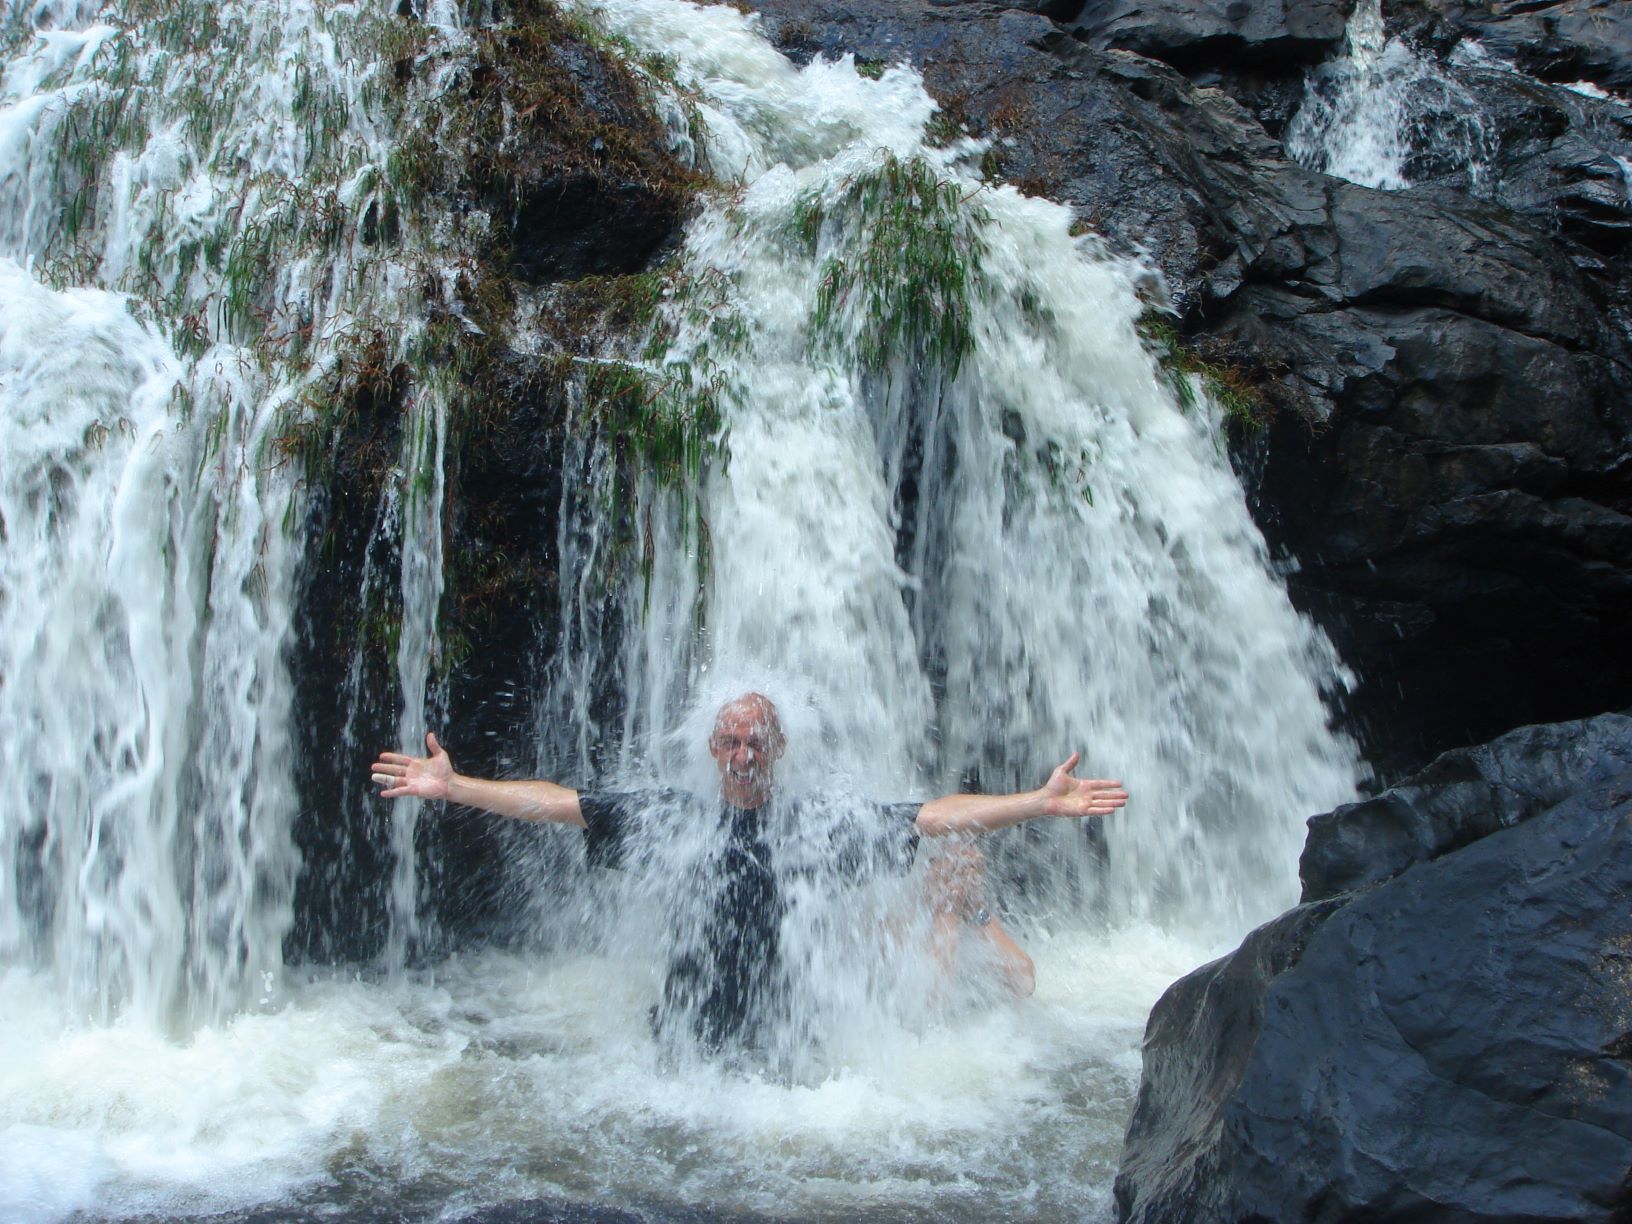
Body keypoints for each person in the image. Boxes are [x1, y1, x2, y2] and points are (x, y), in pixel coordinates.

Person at [371, 692, 1124, 1051]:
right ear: (711, 749)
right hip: (684, 1047)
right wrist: (458, 786)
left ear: (779, 749)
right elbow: (559, 803)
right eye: (730, 739)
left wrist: (1034, 801)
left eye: (757, 739)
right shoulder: (672, 817)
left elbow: (931, 816)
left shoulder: (821, 826)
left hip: (786, 1053)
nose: (743, 751)